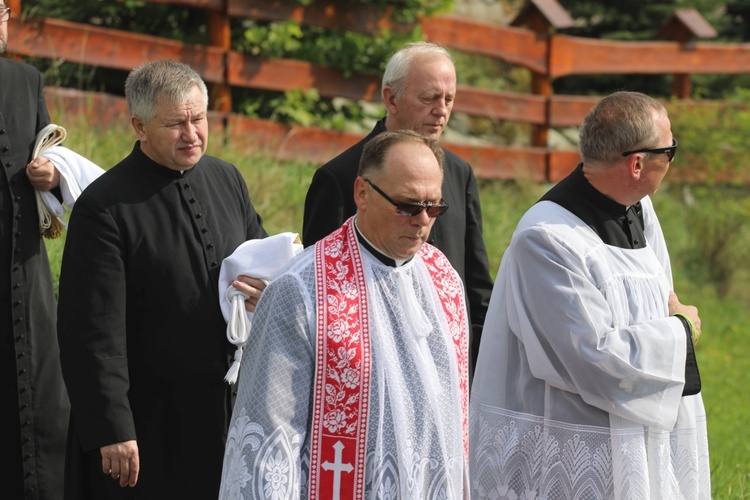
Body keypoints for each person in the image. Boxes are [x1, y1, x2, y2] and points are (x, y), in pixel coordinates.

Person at [469, 91, 710, 498]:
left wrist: (671, 320)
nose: (672, 159)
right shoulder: (547, 239)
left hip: (641, 431)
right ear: (637, 164)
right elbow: (592, 355)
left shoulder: (638, 207)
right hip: (582, 443)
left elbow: (660, 294)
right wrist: (681, 331)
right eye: (670, 150)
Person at [56, 59, 268, 499]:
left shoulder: (226, 177)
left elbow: (262, 256)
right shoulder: (106, 207)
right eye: (176, 124)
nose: (192, 134)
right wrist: (112, 426)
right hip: (147, 421)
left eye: (198, 119)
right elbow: (92, 331)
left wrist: (266, 290)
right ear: (139, 125)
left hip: (222, 409)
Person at [219, 130, 470, 499]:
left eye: (434, 207)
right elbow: (271, 437)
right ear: (362, 193)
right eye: (407, 205)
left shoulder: (442, 277)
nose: (422, 221)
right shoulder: (302, 289)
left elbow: (451, 415)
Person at [302, 41, 492, 378]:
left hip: (450, 370)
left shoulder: (459, 174)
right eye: (429, 98)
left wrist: (477, 373)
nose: (441, 110)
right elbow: (320, 292)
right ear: (391, 99)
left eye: (448, 99)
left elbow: (475, 287)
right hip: (372, 371)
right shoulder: (340, 177)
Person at [0, 3, 70, 498]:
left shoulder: (27, 79)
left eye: (0, 11)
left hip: (24, 268)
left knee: (41, 400)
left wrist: (51, 174)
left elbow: (52, 154)